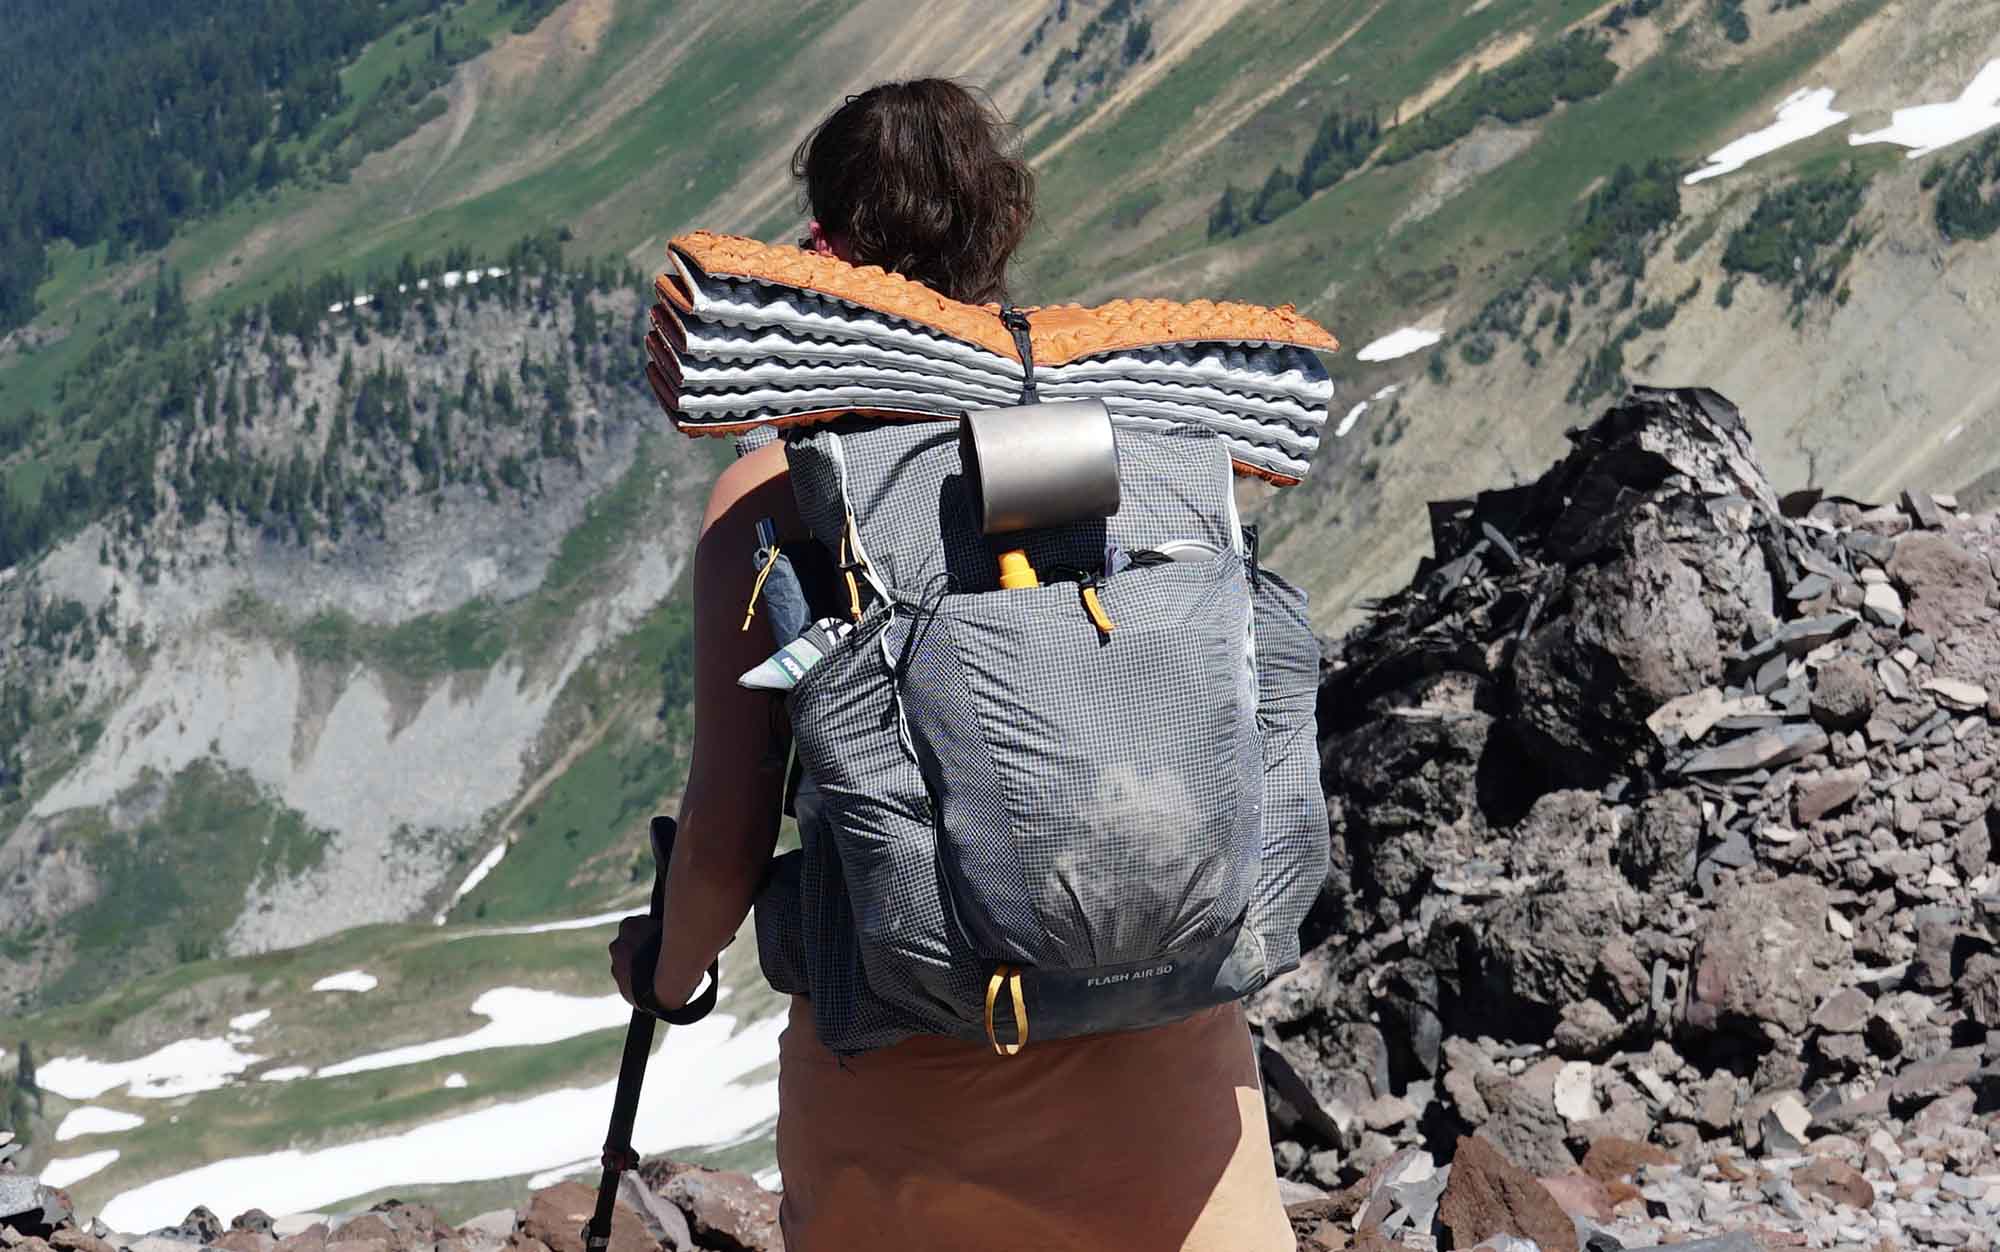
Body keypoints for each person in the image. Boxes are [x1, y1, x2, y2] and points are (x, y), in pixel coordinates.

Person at [608, 78, 1296, 1252]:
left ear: (821, 252)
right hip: (1180, 1097)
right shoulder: (1147, 445)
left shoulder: (774, 499)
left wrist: (668, 976)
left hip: (914, 1109)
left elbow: (724, 835)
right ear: (1002, 233)